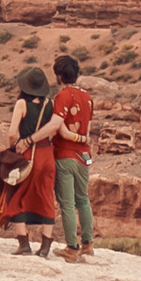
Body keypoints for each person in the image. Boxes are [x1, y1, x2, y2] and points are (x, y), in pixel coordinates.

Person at [0, 64, 67, 257]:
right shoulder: (51, 103)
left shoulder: (22, 104)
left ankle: (24, 244)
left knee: (17, 196)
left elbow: (12, 133)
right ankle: (45, 247)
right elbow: (57, 128)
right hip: (47, 155)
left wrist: (16, 146)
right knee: (46, 197)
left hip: (27, 156)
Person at [49, 53, 96, 261]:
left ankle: (71, 248)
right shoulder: (87, 97)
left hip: (65, 156)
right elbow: (90, 129)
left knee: (67, 204)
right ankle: (88, 245)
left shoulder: (62, 97)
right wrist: (83, 139)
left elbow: (61, 130)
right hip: (84, 156)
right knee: (83, 200)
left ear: (59, 76)